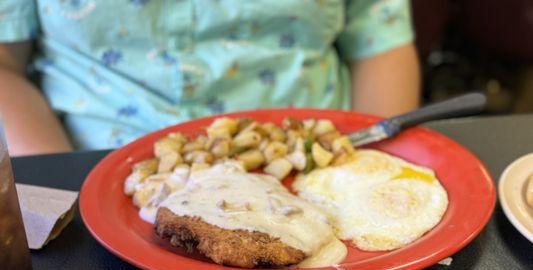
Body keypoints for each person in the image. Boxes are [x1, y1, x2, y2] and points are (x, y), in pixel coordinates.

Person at [0, 1, 419, 156]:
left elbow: (379, 43)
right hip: (94, 160)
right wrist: (57, 191)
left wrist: (368, 165)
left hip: (309, 158)